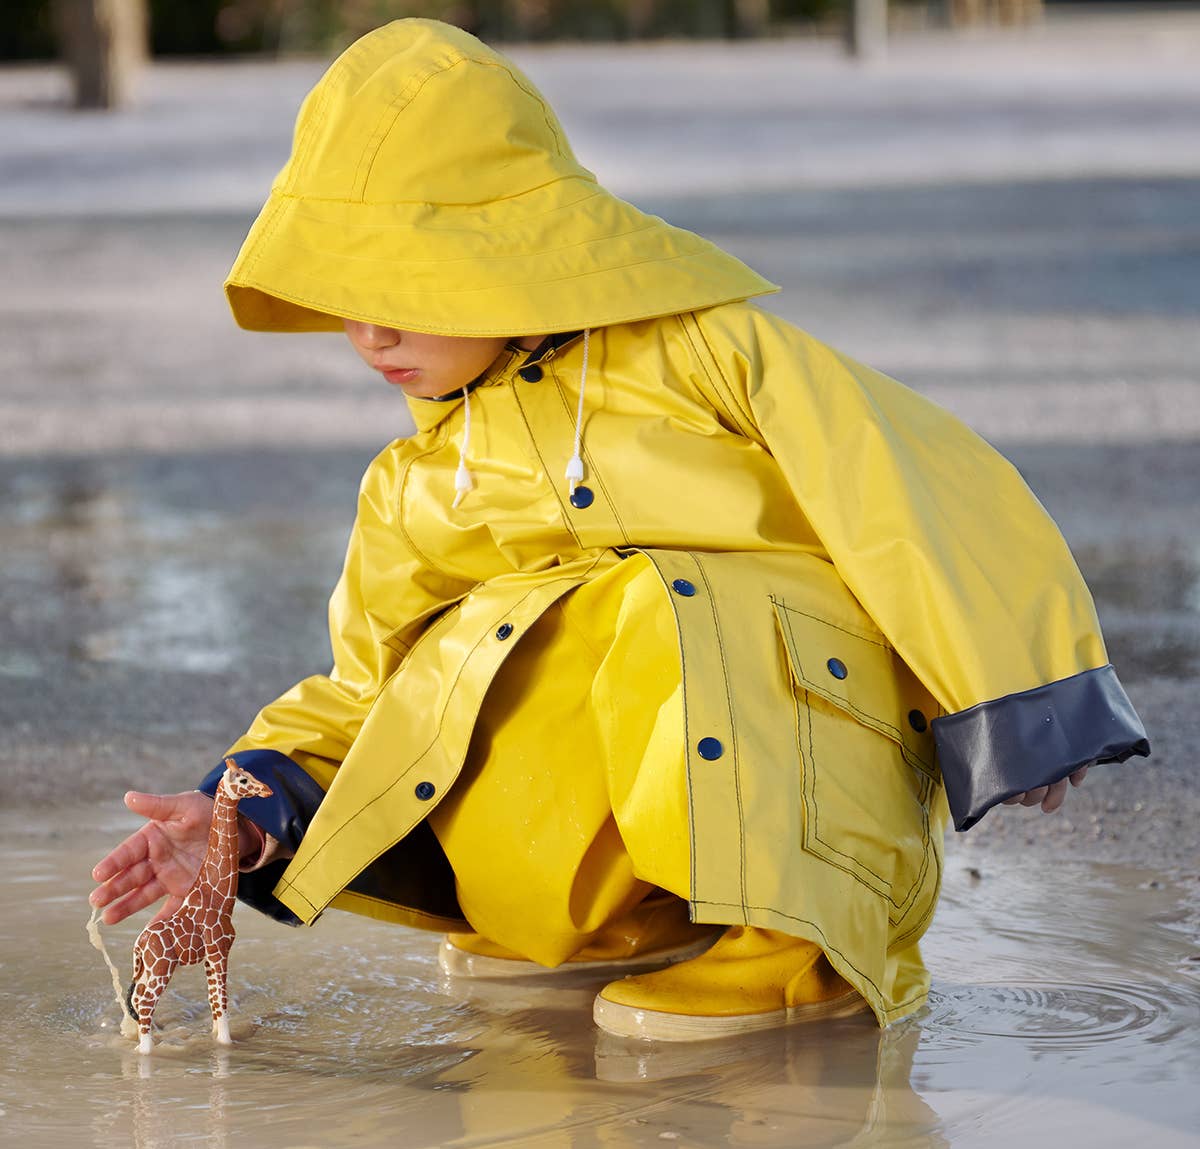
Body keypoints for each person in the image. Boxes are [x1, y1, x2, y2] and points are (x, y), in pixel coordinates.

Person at [89, 19, 1149, 1041]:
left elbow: (909, 490)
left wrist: (1017, 696)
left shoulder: (703, 354)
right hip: (650, 824)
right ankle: (617, 920)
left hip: (818, 797)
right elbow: (369, 691)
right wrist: (248, 808)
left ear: (515, 247)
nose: (372, 333)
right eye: (346, 295)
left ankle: (794, 947)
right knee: (485, 647)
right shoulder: (416, 485)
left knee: (666, 602)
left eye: (407, 286)